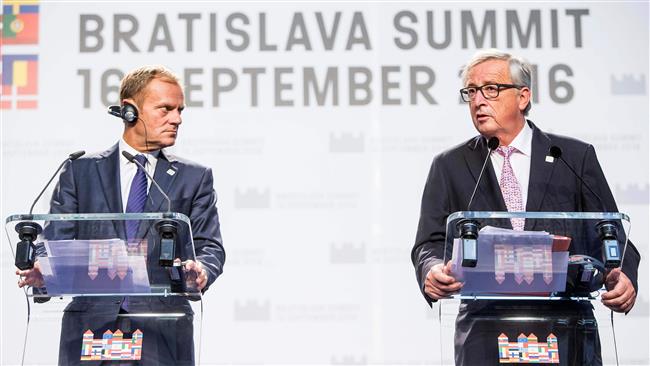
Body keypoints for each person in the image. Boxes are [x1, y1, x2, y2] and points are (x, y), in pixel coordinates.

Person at [411, 49, 640, 365]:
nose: (478, 101)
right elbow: (429, 243)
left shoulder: (572, 157)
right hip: (485, 335)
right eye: (471, 92)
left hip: (566, 331)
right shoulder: (450, 165)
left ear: (523, 96)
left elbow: (612, 232)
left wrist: (624, 275)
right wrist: (432, 268)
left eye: (491, 89)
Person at [16, 65, 225, 365]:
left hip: (162, 333)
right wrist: (43, 273)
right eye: (165, 109)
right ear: (129, 111)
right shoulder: (80, 171)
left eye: (180, 110)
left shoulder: (194, 177)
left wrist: (201, 270)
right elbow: (54, 243)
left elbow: (210, 247)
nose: (177, 118)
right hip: (90, 331)